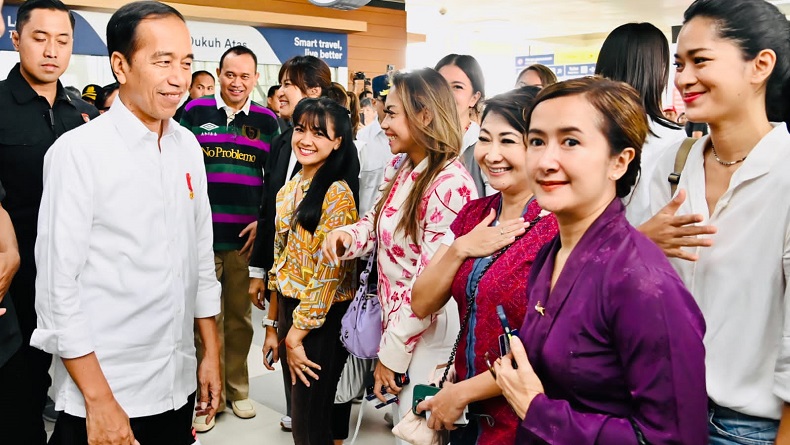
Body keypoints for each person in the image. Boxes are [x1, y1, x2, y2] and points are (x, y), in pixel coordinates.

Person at [31, 2, 223, 444]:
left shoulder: (188, 147)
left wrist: (209, 352)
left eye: (186, 62)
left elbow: (198, 258)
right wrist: (99, 401)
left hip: (175, 383)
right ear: (120, 65)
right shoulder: (78, 153)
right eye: (162, 62)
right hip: (105, 393)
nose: (179, 78)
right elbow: (58, 291)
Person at [491, 77, 707, 445]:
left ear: (619, 162)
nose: (545, 161)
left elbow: (673, 438)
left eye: (570, 142)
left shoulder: (643, 284)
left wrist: (537, 410)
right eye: (537, 141)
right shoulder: (552, 253)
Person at [645, 0, 790, 442]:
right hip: (660, 414)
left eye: (700, 61)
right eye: (678, 63)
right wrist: (639, 241)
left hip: (748, 430)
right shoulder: (671, 163)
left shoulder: (784, 172)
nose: (683, 78)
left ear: (760, 65)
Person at [322, 68, 478, 439]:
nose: (382, 122)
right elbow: (376, 223)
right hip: (399, 330)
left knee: (421, 430)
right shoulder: (402, 166)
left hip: (427, 335)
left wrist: (391, 358)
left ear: (424, 115)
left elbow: (429, 289)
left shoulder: (449, 185)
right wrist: (346, 236)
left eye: (391, 113)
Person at [411, 86, 558, 445]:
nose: (492, 154)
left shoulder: (558, 226)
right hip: (465, 414)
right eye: (485, 139)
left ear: (538, 146)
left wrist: (461, 393)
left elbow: (546, 347)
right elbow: (421, 301)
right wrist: (461, 248)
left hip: (523, 418)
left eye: (508, 141)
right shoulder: (474, 214)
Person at [0, 1, 98, 442]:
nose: (51, 50)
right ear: (16, 38)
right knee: (16, 393)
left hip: (77, 281)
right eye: (40, 38)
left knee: (74, 394)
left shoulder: (84, 113)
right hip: (16, 278)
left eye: (63, 41)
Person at [248, 55, 360, 434]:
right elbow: (281, 264)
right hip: (290, 314)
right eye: (300, 130)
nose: (305, 140)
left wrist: (296, 335)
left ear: (338, 142)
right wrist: (272, 326)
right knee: (301, 419)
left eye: (319, 134)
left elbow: (331, 274)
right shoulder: (290, 189)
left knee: (312, 423)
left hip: (321, 320)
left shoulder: (338, 194)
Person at [180, 44, 280, 432]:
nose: (237, 82)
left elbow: (275, 181)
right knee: (204, 318)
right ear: (218, 74)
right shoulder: (194, 113)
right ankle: (209, 395)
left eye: (245, 76)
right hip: (201, 238)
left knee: (239, 319)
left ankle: (238, 389)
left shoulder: (269, 122)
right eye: (230, 74)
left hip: (244, 240)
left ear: (256, 79)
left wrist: (262, 221)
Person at [594, 22, 686, 226]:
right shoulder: (672, 138)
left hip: (583, 247)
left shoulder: (584, 127)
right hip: (647, 251)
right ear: (658, 70)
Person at [435, 54, 491, 197]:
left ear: (474, 98)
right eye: (440, 85)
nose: (446, 93)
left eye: (457, 87)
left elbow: (497, 211)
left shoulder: (486, 149)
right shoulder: (418, 144)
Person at [355, 74, 395, 216]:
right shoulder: (362, 139)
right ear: (373, 102)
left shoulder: (413, 141)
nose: (391, 107)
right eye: (385, 101)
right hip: (366, 228)